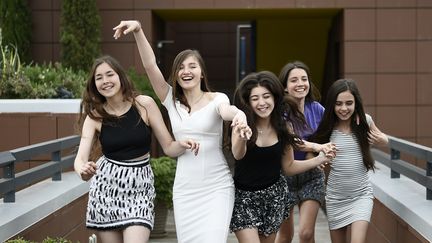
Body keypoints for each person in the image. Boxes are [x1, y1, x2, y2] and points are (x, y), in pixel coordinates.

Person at [113, 20, 251, 242]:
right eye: (181, 67)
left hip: (217, 187)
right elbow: (150, 66)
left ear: (202, 73)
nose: (186, 71)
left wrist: (240, 116)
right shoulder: (170, 101)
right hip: (185, 190)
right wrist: (139, 30)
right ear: (176, 74)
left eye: (192, 66)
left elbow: (229, 111)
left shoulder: (217, 99)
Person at [73, 55, 199, 243]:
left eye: (110, 74)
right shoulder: (95, 117)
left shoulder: (144, 104)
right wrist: (83, 170)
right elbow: (80, 159)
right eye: (99, 78)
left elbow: (169, 146)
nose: (105, 81)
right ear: (94, 84)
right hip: (106, 190)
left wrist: (182, 145)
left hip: (140, 188)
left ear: (120, 77)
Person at [229, 71, 334, 243]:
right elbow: (237, 154)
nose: (261, 103)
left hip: (274, 197)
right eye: (255, 98)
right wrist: (241, 137)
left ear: (275, 98)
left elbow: (289, 167)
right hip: (244, 198)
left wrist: (319, 159)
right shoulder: (242, 125)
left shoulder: (283, 126)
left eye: (266, 96)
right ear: (248, 102)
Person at [309, 78, 388, 243]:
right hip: (335, 198)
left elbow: (384, 139)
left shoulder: (365, 121)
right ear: (332, 104)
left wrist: (382, 140)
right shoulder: (327, 126)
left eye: (348, 103)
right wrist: (319, 160)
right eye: (338, 104)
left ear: (355, 103)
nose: (344, 108)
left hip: (361, 195)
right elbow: (313, 152)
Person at [276, 61, 333, 243]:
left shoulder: (317, 109)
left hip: (312, 175)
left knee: (306, 234)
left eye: (304, 79)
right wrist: (316, 148)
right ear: (285, 87)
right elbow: (293, 141)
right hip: (285, 176)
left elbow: (331, 131)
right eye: (294, 80)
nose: (300, 84)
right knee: (285, 236)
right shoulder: (280, 112)